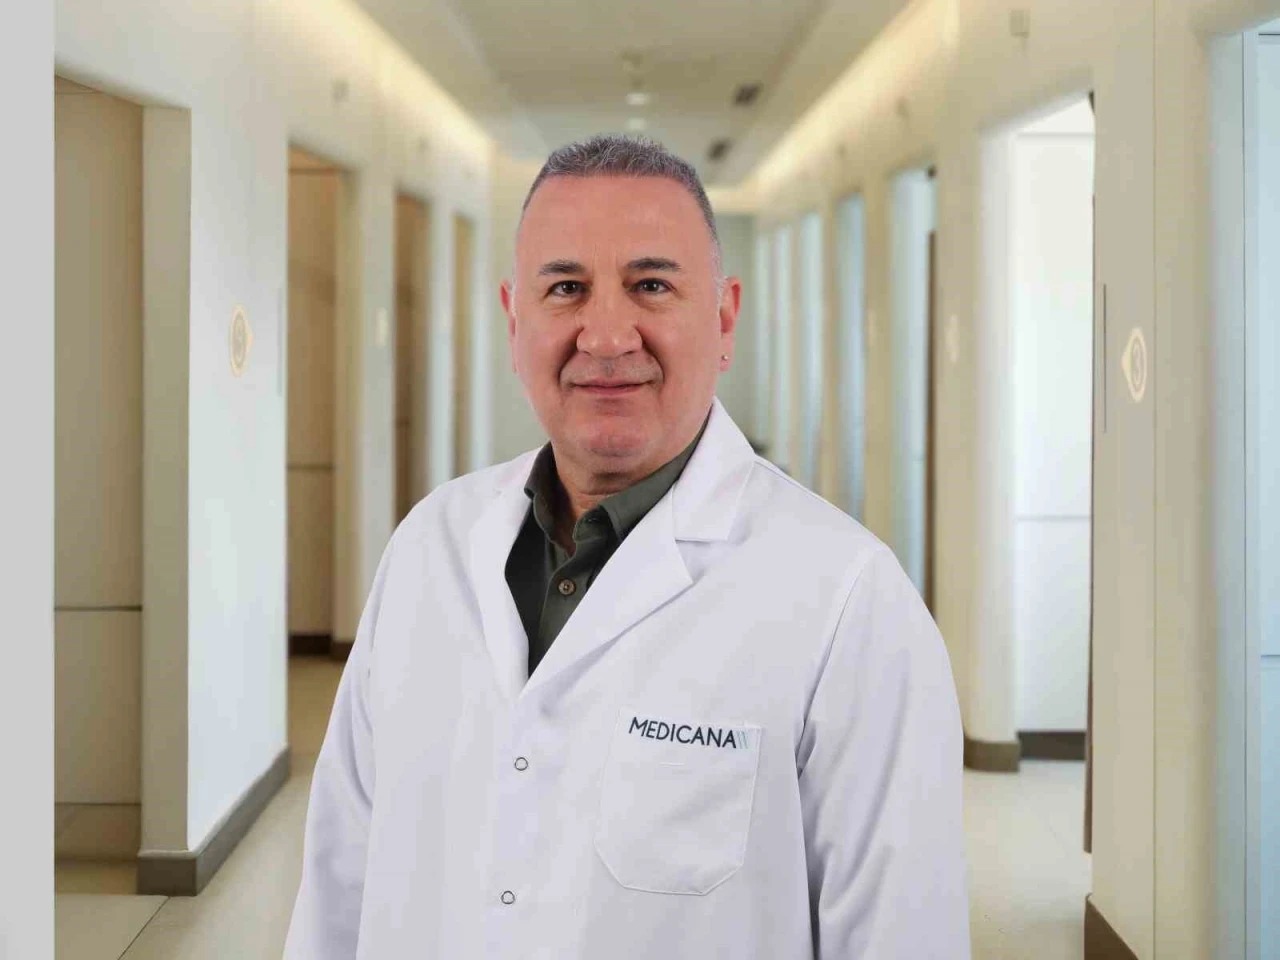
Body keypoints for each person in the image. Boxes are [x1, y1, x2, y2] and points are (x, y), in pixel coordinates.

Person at [284, 134, 969, 959]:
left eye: (651, 285)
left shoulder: (848, 599)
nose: (607, 336)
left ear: (724, 318)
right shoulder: (430, 545)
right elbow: (340, 876)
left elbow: (901, 934)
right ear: (515, 321)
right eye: (566, 288)